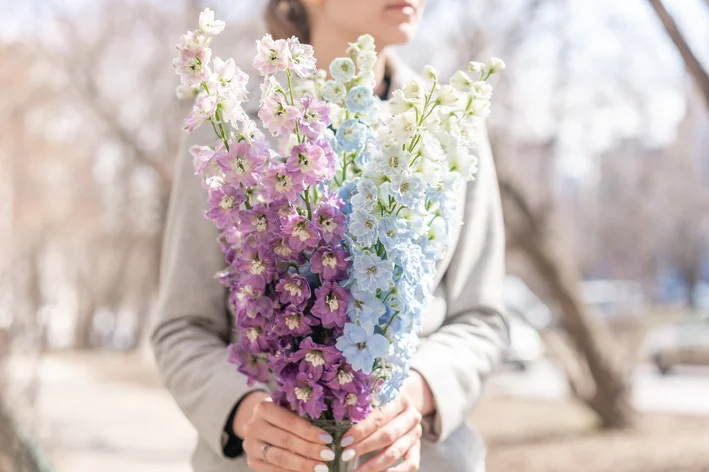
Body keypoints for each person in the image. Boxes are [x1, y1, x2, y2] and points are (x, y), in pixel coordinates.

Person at [151, 0, 509, 471]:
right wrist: (244, 413)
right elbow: (183, 328)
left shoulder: (447, 122)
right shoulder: (232, 124)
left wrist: (418, 391)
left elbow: (483, 318)